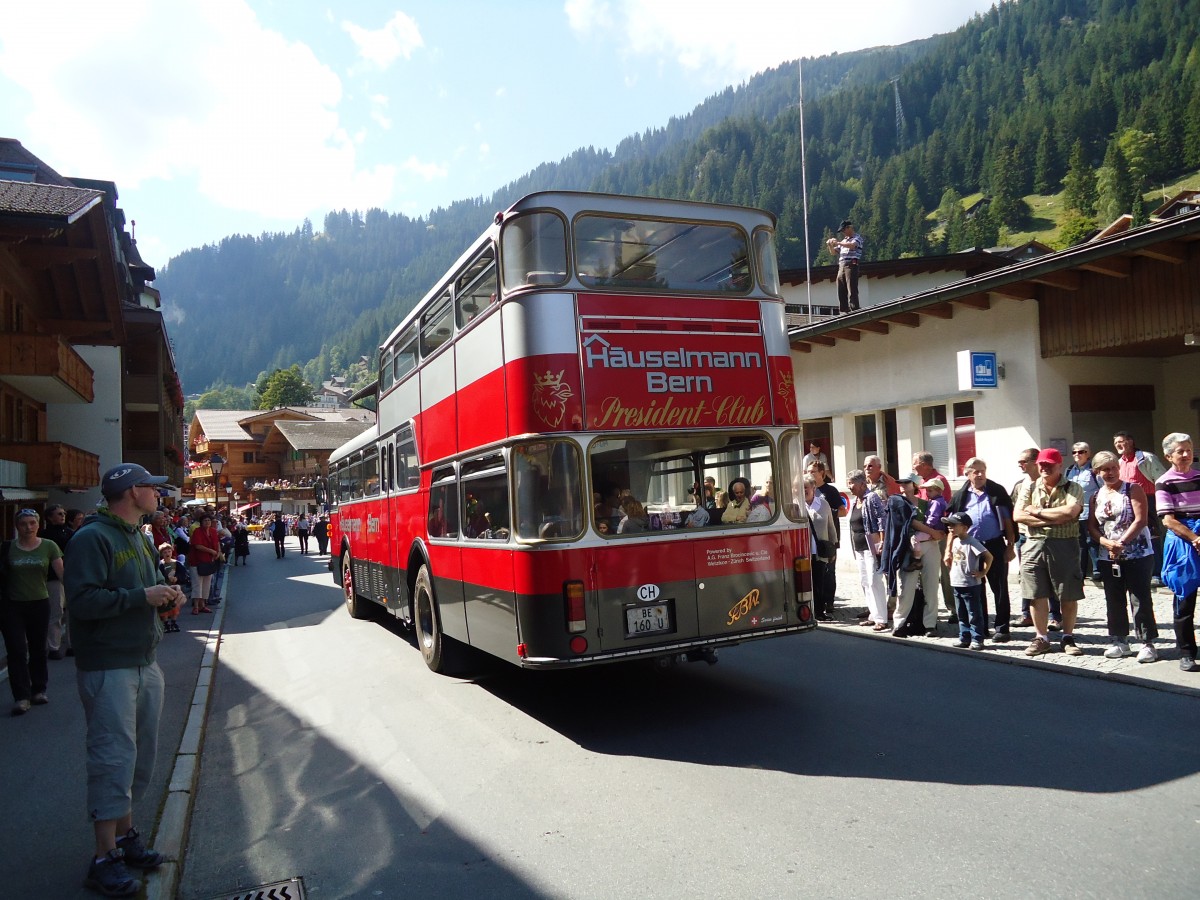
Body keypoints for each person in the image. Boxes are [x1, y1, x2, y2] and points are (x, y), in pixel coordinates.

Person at [66, 462, 184, 898]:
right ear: (132, 493)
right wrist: (143, 597)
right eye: (151, 488)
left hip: (142, 659)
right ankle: (103, 858)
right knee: (113, 758)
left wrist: (168, 593)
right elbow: (80, 601)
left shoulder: (138, 536)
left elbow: (152, 583)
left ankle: (125, 837)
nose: (158, 494)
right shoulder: (91, 538)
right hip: (108, 666)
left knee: (138, 756)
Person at [1013, 448, 1086, 657]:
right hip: (1033, 544)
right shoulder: (1028, 487)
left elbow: (1070, 512)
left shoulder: (1073, 487)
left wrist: (1036, 512)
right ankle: (1041, 637)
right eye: (1041, 464)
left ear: (1059, 465)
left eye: (1049, 465)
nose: (1044, 468)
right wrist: (1053, 518)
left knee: (1068, 593)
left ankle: (1068, 637)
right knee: (1036, 593)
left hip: (1065, 544)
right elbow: (1018, 515)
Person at [1087, 450, 1158, 663]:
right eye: (1104, 469)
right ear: (1097, 472)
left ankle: (1147, 643)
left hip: (1137, 553)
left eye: (1113, 468)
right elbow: (1092, 526)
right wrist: (1106, 543)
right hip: (1108, 556)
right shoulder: (1096, 496)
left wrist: (1121, 544)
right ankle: (1120, 641)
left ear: (1119, 469)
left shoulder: (1132, 489)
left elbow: (1140, 520)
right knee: (1114, 599)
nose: (1110, 473)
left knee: (1140, 597)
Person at [945, 458, 1018, 642]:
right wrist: (948, 550)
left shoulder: (996, 491)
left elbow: (1008, 521)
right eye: (975, 471)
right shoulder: (961, 495)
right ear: (967, 473)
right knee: (975, 588)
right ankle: (981, 628)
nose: (980, 474)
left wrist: (1010, 546)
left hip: (994, 544)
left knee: (999, 588)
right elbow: (952, 525)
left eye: (982, 471)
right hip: (970, 546)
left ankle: (1002, 628)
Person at [1, 508, 65, 715]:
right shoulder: (8, 548)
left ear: (39, 525)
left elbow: (62, 573)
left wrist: (77, 597)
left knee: (38, 648)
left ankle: (39, 689)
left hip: (39, 602)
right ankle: (21, 696)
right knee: (17, 650)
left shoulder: (49, 546)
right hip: (12, 605)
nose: (28, 527)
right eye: (23, 524)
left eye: (32, 523)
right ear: (17, 526)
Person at [1154, 432, 1200, 672]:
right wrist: (1195, 538)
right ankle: (1186, 652)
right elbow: (1169, 521)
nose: (1185, 455)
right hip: (1183, 541)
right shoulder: (1164, 482)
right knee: (1184, 599)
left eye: (1189, 450)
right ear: (1168, 455)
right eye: (1180, 451)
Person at [886, 475, 945, 637]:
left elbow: (939, 520)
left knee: (931, 585)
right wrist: (932, 532)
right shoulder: (897, 502)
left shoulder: (927, 503)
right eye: (901, 483)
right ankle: (899, 623)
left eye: (906, 482)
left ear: (914, 485)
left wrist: (939, 533)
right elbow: (908, 522)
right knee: (906, 587)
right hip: (908, 548)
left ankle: (930, 624)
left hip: (930, 545)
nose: (902, 485)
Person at [1012, 448, 1061, 630]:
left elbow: (1057, 514)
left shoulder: (1050, 485)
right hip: (1024, 536)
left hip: (1048, 537)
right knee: (1027, 577)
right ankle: (1027, 614)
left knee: (1052, 577)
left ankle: (1055, 616)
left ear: (1035, 462)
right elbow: (1016, 513)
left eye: (1023, 461)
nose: (1020, 465)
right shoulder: (1019, 485)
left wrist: (1039, 517)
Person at [1114, 431, 1168, 582]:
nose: (1118, 445)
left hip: (1149, 500)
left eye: (1121, 441)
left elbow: (1162, 479)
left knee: (1153, 535)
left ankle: (1157, 572)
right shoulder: (1119, 462)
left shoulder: (1146, 458)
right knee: (1133, 534)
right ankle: (1139, 569)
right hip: (1128, 502)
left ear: (1131, 442)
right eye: (1116, 443)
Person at [846, 469, 889, 631]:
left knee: (874, 581)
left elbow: (881, 520)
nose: (849, 486)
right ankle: (873, 614)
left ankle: (881, 619)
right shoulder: (855, 500)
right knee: (865, 581)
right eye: (848, 483)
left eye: (852, 483)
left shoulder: (871, 498)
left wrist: (883, 541)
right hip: (859, 547)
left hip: (871, 545)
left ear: (862, 484)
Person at [942, 512, 993, 650]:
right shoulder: (956, 540)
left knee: (974, 613)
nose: (950, 527)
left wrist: (983, 572)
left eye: (953, 525)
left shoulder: (972, 542)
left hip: (970, 584)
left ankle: (977, 639)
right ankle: (964, 637)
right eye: (949, 525)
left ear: (964, 527)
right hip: (957, 582)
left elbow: (988, 556)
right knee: (961, 613)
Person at [807, 460, 845, 614]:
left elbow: (843, 511)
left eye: (813, 471)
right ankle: (818, 603)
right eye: (808, 471)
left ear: (822, 473)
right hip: (812, 542)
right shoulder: (804, 491)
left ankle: (829, 602)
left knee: (829, 572)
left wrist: (828, 513)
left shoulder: (830, 491)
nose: (810, 473)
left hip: (828, 538)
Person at [803, 475, 839, 620]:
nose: (804, 490)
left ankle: (819, 612)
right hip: (802, 551)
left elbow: (831, 526)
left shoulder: (823, 504)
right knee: (805, 582)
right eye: (801, 487)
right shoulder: (795, 505)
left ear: (813, 488)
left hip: (820, 550)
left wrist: (834, 546)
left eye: (806, 487)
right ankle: (806, 611)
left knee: (820, 582)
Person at [42, 503, 75, 659]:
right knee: (56, 612)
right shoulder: (44, 535)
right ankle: (53, 646)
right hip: (53, 578)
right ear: (49, 517)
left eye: (63, 513)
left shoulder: (71, 533)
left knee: (72, 612)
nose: (62, 516)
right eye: (59, 514)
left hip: (72, 575)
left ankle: (71, 644)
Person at [1066, 442, 1101, 580]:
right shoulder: (1069, 471)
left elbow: (1103, 488)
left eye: (1081, 452)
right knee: (1079, 542)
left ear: (1088, 454)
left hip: (1090, 511)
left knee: (1092, 540)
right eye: (1074, 452)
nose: (1077, 455)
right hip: (1075, 513)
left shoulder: (1094, 470)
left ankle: (1097, 569)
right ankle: (1081, 570)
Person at [826, 218, 863, 314]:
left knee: (851, 287)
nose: (843, 232)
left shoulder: (857, 238)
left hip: (851, 264)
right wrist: (830, 245)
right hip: (841, 265)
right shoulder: (844, 241)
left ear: (849, 228)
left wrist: (837, 242)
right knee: (840, 287)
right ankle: (843, 309)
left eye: (844, 230)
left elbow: (852, 245)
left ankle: (854, 308)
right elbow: (834, 252)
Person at [188, 514, 220, 614]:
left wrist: (218, 552)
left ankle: (203, 605)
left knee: (206, 584)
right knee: (197, 584)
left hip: (209, 561)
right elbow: (197, 546)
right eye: (205, 520)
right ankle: (196, 606)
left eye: (209, 520)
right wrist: (211, 551)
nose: (207, 522)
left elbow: (217, 542)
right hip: (197, 561)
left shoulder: (213, 531)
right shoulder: (197, 531)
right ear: (201, 522)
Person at [156, 543, 182, 634]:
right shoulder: (160, 564)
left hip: (175, 588)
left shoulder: (176, 563)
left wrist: (177, 578)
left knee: (175, 606)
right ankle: (166, 623)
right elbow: (158, 575)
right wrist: (167, 577)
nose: (167, 553)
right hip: (165, 588)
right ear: (162, 554)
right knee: (165, 606)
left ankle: (174, 622)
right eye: (165, 552)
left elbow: (182, 574)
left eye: (169, 551)